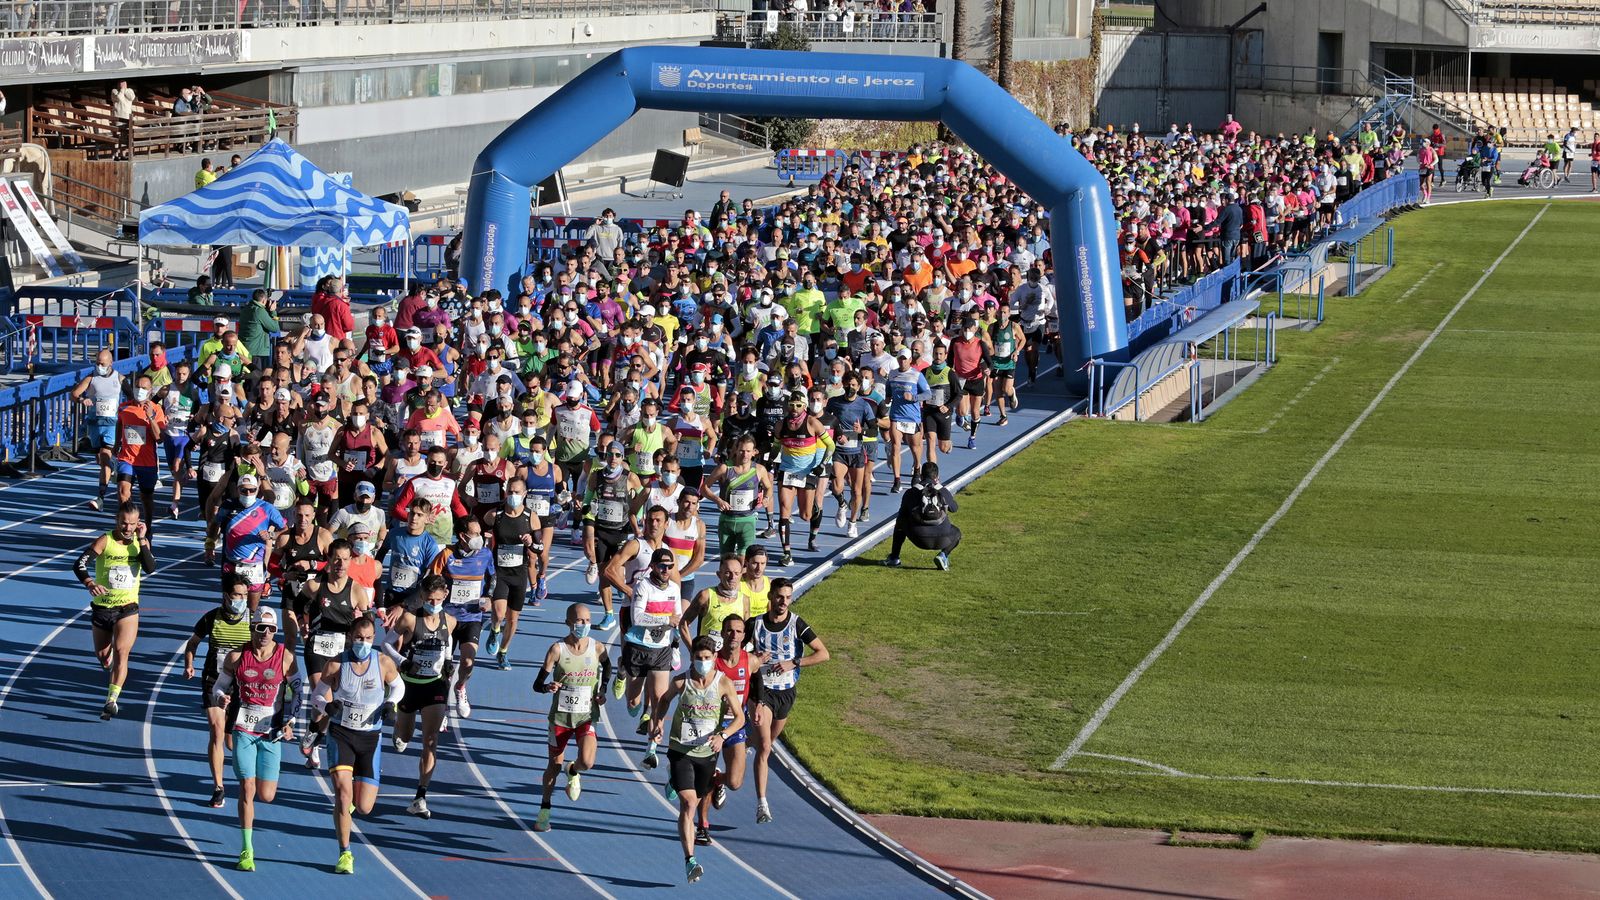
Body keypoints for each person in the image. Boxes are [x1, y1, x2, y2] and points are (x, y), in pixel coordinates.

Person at [308, 617, 403, 875]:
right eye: (359, 638)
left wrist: (390, 704)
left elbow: (399, 687)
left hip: (370, 738)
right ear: (351, 637)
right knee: (342, 794)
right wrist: (327, 706)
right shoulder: (336, 664)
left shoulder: (383, 662)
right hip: (341, 734)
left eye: (369, 638)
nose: (363, 643)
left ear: (374, 638)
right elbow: (316, 695)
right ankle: (345, 853)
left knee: (364, 807)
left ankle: (346, 809)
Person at [649, 634, 746, 883]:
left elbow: (740, 718)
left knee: (700, 795)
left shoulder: (723, 683)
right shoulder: (682, 682)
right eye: (698, 658)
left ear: (714, 658)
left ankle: (674, 782)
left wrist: (723, 736)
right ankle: (690, 860)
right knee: (689, 803)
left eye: (707, 658)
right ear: (691, 659)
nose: (702, 662)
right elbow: (664, 700)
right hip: (681, 751)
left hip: (707, 754)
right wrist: (658, 722)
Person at [212, 607, 299, 872]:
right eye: (261, 628)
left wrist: (291, 721)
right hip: (243, 730)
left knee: (267, 795)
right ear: (253, 629)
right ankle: (246, 849)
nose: (266, 634)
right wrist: (221, 698)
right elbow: (218, 686)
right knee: (247, 788)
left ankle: (247, 844)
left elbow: (298, 691)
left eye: (272, 629)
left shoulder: (286, 658)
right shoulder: (237, 657)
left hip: (271, 733)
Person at [748, 578, 827, 824]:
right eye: (779, 597)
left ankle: (733, 745)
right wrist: (754, 658)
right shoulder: (755, 624)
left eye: (788, 597)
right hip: (761, 691)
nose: (783, 602)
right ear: (770, 597)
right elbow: (737, 654)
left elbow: (823, 654)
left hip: (786, 693)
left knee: (766, 743)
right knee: (764, 747)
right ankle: (762, 804)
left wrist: (793, 662)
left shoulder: (797, 624)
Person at [531, 601, 611, 832]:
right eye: (579, 621)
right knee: (553, 767)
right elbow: (537, 685)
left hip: (586, 715)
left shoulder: (597, 647)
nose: (584, 624)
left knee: (587, 761)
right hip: (560, 719)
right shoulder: (557, 649)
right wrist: (548, 688)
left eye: (587, 620)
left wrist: (603, 690)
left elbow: (607, 667)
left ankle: (573, 769)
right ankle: (545, 809)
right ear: (568, 623)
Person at [74, 503, 154, 720]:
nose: (128, 528)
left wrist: (143, 540)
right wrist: (90, 582)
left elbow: (150, 568)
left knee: (122, 652)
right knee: (103, 655)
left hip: (127, 608)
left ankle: (111, 699)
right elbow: (79, 564)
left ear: (139, 523)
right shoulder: (105, 540)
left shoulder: (139, 542)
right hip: (102, 607)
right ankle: (106, 662)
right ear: (117, 521)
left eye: (132, 524)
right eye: (124, 523)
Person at [299, 539, 375, 768]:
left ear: (351, 561)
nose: (340, 564)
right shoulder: (314, 586)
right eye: (336, 559)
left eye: (344, 559)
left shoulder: (357, 590)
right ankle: (314, 731)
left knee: (332, 705)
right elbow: (297, 604)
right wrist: (303, 623)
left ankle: (316, 736)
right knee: (320, 696)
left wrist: (361, 635)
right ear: (329, 561)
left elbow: (367, 622)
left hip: (341, 652)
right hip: (317, 648)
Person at [384, 576, 455, 819]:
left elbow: (448, 642)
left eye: (438, 599)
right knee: (405, 735)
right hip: (410, 686)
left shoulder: (450, 620)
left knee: (431, 740)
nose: (434, 603)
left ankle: (420, 796)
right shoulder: (410, 619)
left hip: (435, 686)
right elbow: (386, 645)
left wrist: (447, 663)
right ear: (422, 597)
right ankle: (398, 730)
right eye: (429, 599)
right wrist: (403, 662)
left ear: (445, 595)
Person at [183, 575, 254, 808]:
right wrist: (189, 664)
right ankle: (218, 787)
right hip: (214, 681)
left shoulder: (252, 619)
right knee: (216, 729)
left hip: (241, 684)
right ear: (226, 596)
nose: (241, 600)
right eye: (237, 595)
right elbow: (192, 642)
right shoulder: (211, 617)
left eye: (245, 595)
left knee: (232, 742)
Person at [617, 548, 683, 768]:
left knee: (659, 701)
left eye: (670, 566)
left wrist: (675, 644)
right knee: (633, 702)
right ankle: (621, 670)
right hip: (638, 647)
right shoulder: (643, 586)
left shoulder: (674, 588)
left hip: (661, 650)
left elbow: (678, 619)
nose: (666, 570)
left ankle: (651, 749)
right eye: (662, 566)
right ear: (653, 566)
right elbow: (637, 617)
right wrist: (665, 619)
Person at [696, 614, 757, 843]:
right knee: (702, 780)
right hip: (711, 726)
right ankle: (702, 825)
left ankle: (717, 780)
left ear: (743, 635)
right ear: (722, 634)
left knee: (735, 782)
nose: (734, 635)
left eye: (738, 631)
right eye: (729, 630)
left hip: (735, 725)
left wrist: (759, 704)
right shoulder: (713, 663)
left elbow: (758, 682)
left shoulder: (750, 661)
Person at [431, 520, 495, 717]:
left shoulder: (485, 554)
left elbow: (493, 578)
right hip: (448, 617)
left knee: (467, 663)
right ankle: (439, 707)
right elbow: (431, 581)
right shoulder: (447, 555)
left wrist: (489, 597)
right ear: (462, 536)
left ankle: (460, 688)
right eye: (474, 534)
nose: (479, 538)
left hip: (472, 616)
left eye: (480, 533)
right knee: (443, 665)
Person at [209, 473, 286, 611]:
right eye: (244, 490)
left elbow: (285, 530)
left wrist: (271, 534)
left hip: (255, 567)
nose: (248, 493)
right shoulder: (228, 505)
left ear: (257, 490)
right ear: (238, 490)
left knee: (252, 611)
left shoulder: (267, 508)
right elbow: (215, 524)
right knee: (230, 607)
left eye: (252, 490)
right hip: (231, 564)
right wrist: (209, 545)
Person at [484, 477, 538, 669]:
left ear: (524, 494)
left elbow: (539, 548)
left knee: (513, 618)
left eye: (517, 492)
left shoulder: (530, 516)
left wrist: (531, 542)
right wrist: (485, 537)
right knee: (499, 614)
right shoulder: (495, 514)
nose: (513, 496)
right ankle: (494, 629)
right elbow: (480, 528)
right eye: (510, 492)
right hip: (500, 572)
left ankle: (504, 651)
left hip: (519, 573)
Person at [70, 349, 124, 512]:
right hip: (94, 424)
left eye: (103, 363)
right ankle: (113, 466)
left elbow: (133, 395)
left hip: (111, 424)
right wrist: (82, 399)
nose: (99, 366)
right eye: (97, 363)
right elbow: (74, 394)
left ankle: (100, 497)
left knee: (104, 457)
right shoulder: (91, 378)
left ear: (111, 363)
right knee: (101, 460)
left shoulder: (119, 378)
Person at [884, 461, 961, 570]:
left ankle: (894, 558)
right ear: (937, 476)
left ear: (921, 475)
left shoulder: (911, 492)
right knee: (957, 532)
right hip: (944, 538)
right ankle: (943, 555)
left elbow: (902, 515)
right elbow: (954, 508)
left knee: (900, 522)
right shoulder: (942, 490)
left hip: (920, 539)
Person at [114, 372, 166, 528]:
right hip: (127, 458)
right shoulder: (124, 407)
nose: (140, 390)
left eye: (144, 388)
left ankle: (148, 526)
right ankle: (126, 524)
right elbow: (119, 423)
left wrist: (150, 417)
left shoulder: (157, 410)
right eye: (137, 387)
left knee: (147, 497)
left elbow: (160, 438)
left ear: (150, 391)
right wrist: (117, 443)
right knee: (123, 492)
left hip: (146, 461)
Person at [238, 290, 280, 361]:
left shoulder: (246, 309)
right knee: (256, 372)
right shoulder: (260, 311)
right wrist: (273, 312)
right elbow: (275, 328)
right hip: (256, 351)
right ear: (264, 300)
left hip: (244, 348)